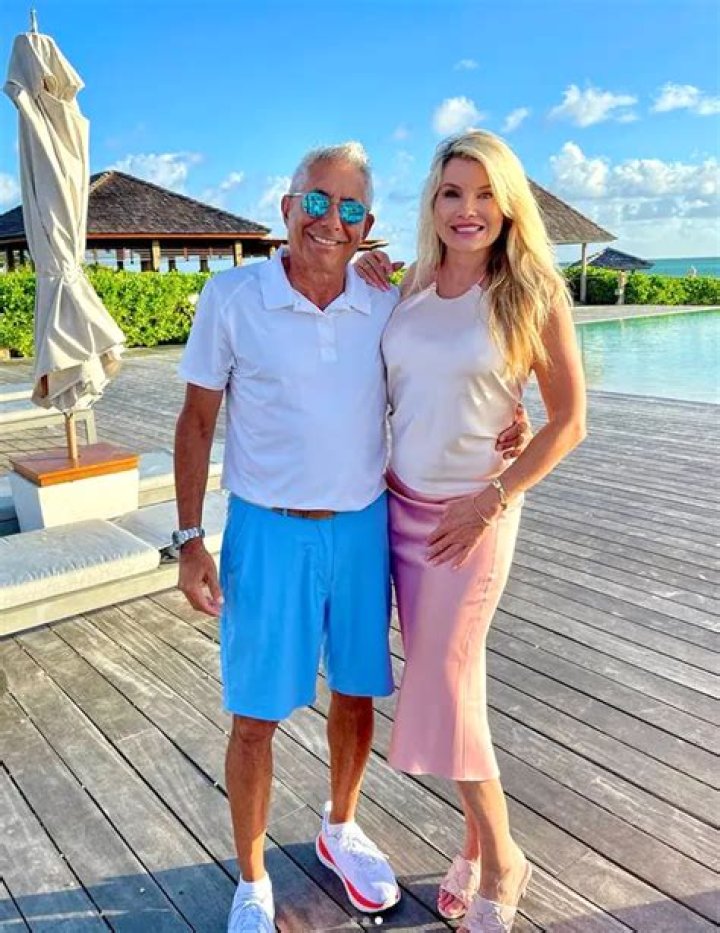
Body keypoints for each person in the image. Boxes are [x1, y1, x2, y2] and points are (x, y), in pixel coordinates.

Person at [173, 140, 527, 933]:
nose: (331, 221)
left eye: (351, 208)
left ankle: (340, 826)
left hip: (367, 526)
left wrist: (513, 411)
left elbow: (453, 361)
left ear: (368, 224)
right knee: (254, 715)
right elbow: (195, 421)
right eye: (317, 201)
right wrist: (191, 538)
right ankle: (253, 879)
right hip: (268, 531)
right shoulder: (231, 297)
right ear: (287, 206)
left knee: (357, 693)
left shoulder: (385, 297)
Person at [356, 129, 586, 933]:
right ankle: (473, 844)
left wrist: (493, 496)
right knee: (455, 684)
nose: (468, 209)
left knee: (445, 686)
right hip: (400, 507)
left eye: (486, 194)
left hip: (472, 520)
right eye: (453, 192)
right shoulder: (410, 284)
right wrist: (363, 272)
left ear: (509, 204)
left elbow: (569, 422)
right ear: (433, 201)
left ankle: (502, 858)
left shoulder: (531, 292)